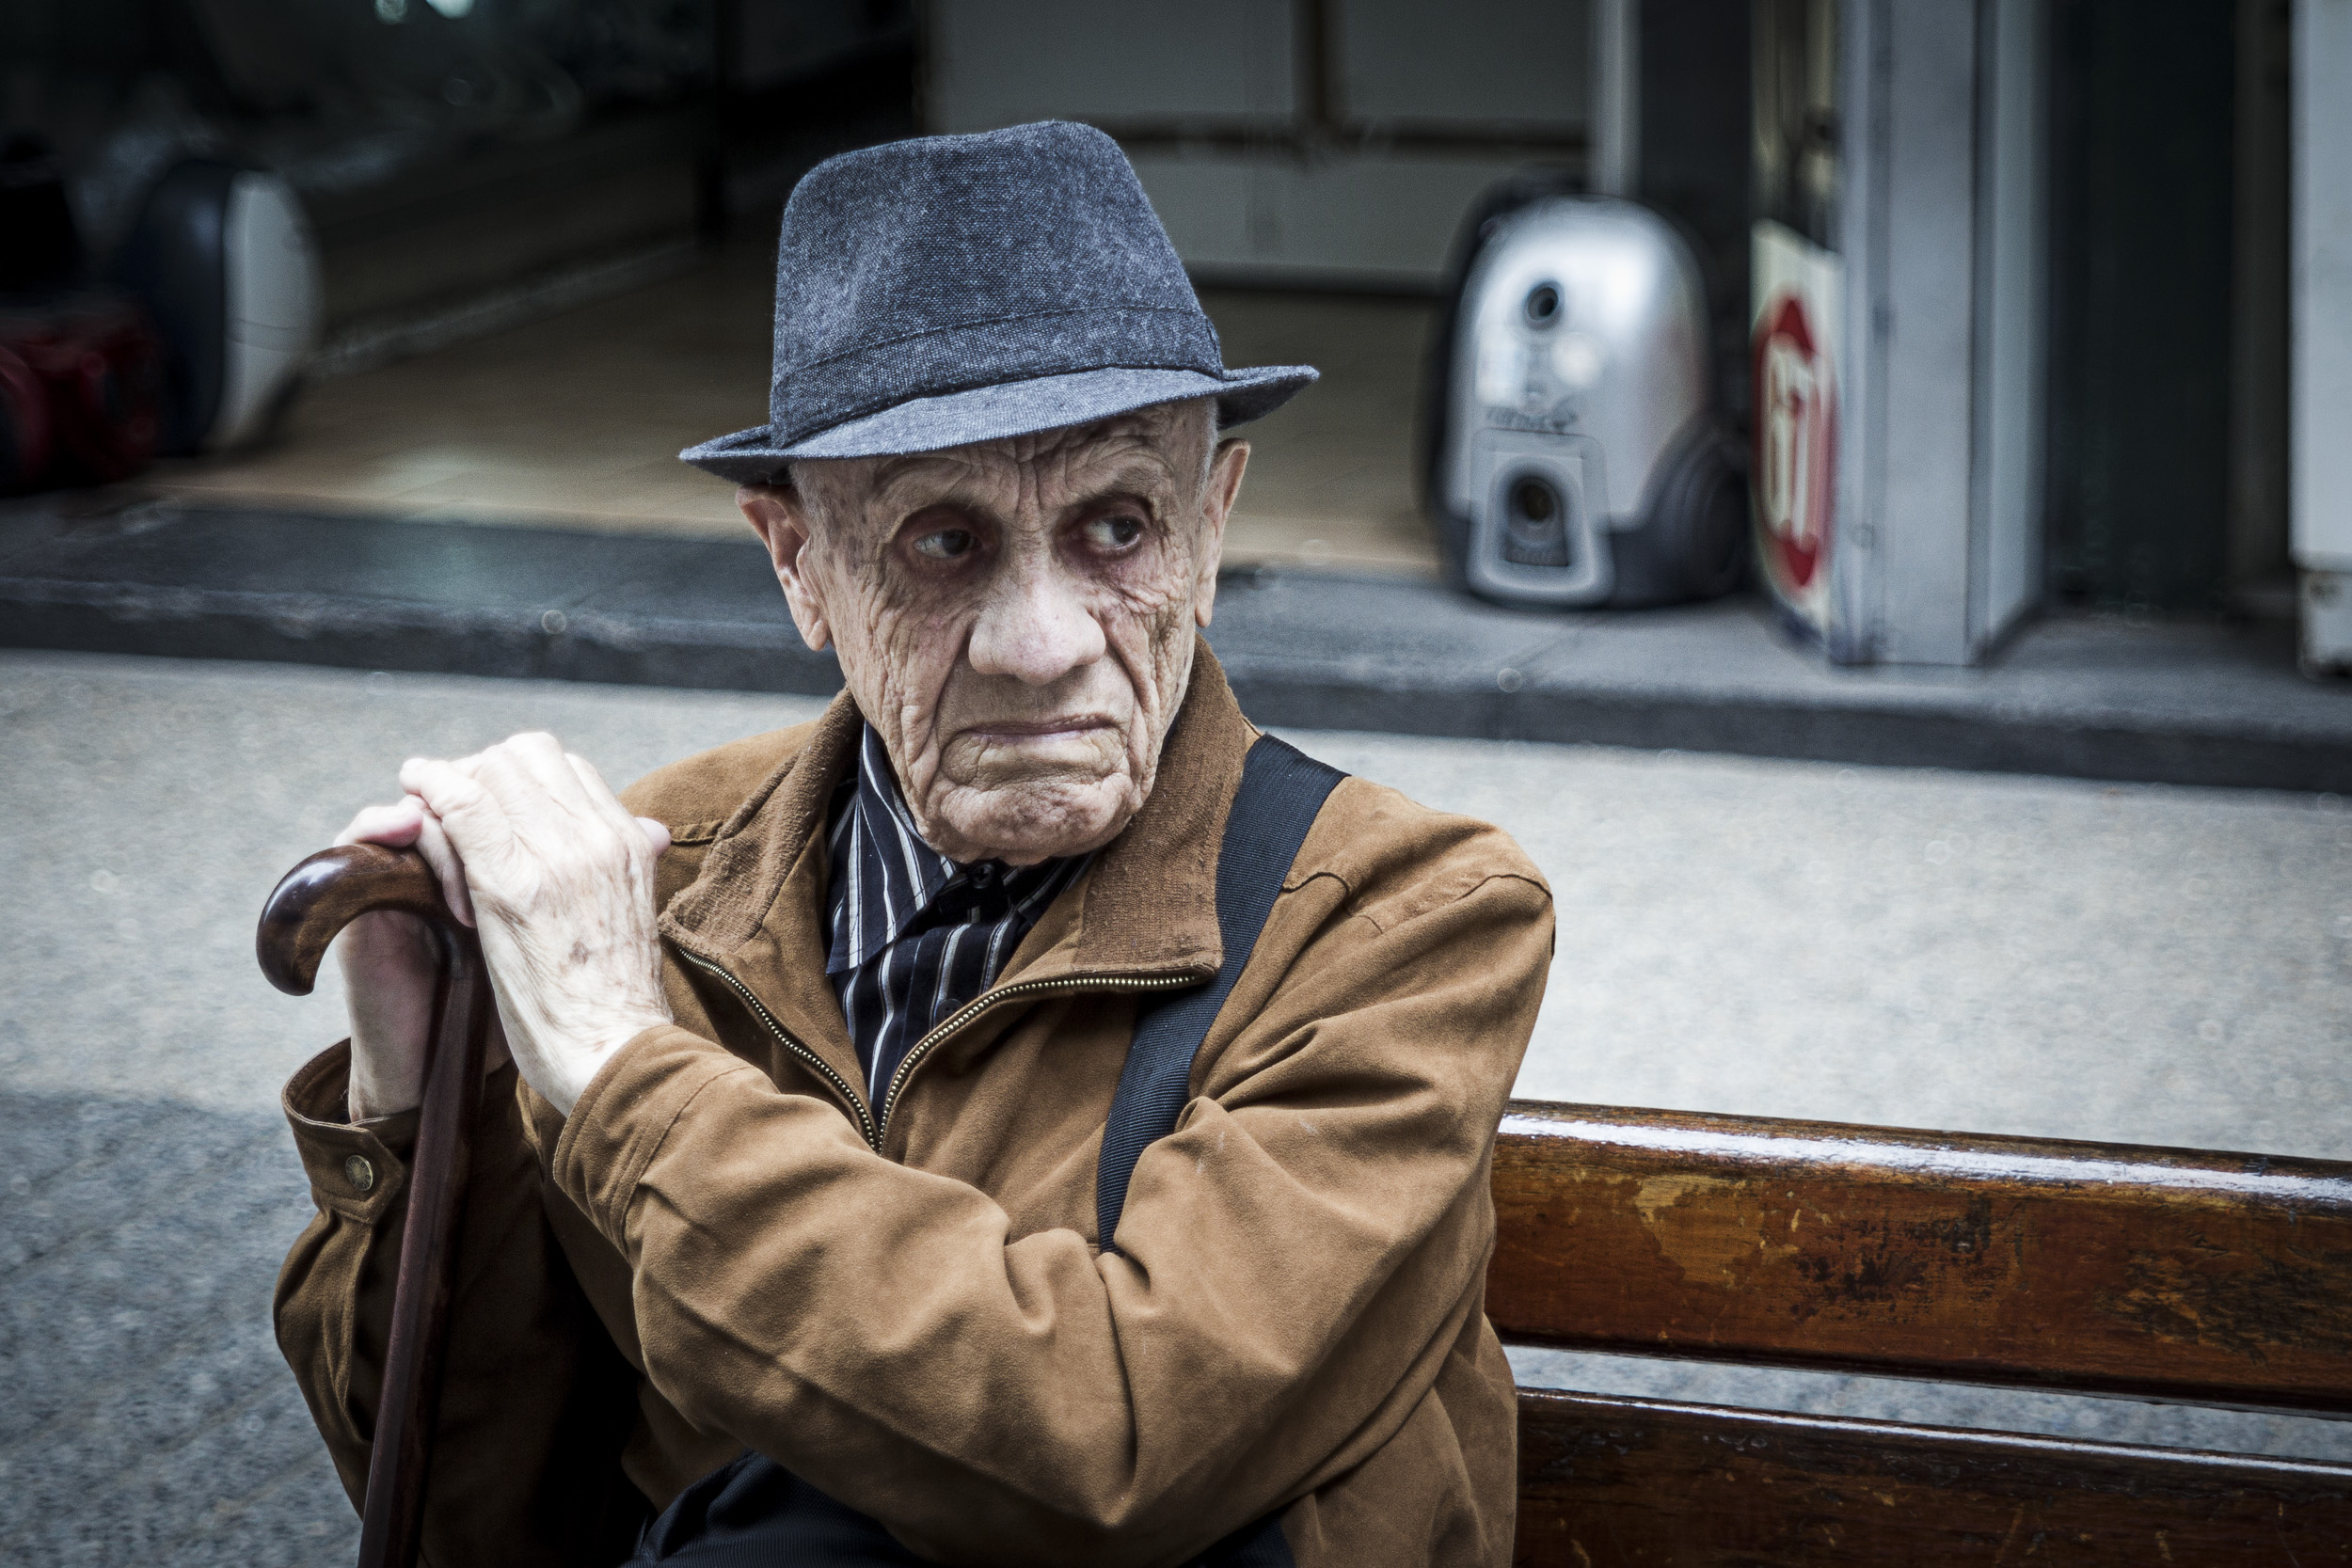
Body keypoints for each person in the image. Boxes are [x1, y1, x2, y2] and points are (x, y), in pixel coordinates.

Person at [276, 121, 1554, 1568]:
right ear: (800, 567)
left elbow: (1114, 1443)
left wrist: (627, 1077)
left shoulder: (1407, 920)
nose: (1038, 644)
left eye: (1115, 528)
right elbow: (465, 1513)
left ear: (1211, 527)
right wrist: (416, 1093)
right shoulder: (659, 891)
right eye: (942, 541)